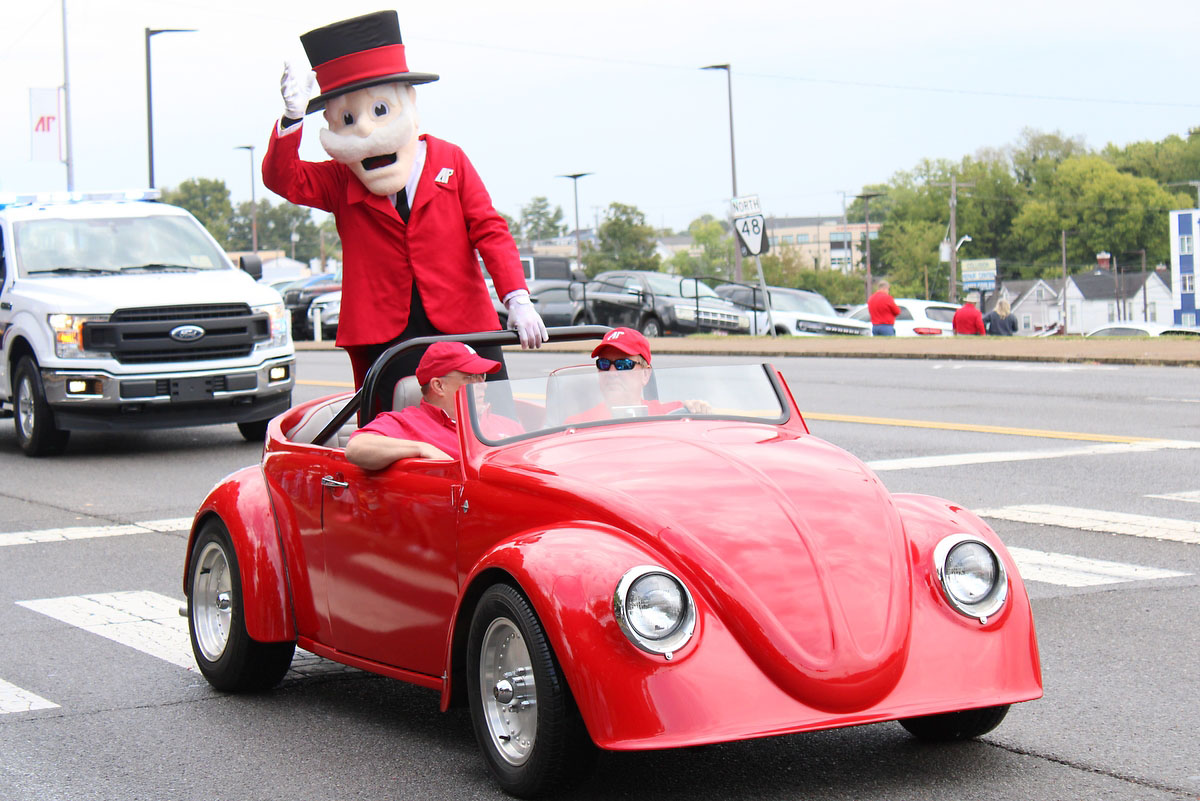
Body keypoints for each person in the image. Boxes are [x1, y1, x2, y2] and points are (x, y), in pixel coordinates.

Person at [262, 11, 547, 390]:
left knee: (489, 419)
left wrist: (517, 298)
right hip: (385, 333)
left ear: (406, 102)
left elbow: (490, 230)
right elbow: (283, 178)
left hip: (463, 320)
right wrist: (292, 119)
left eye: (380, 110)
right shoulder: (340, 175)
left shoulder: (450, 160)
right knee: (394, 428)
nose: (365, 127)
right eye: (347, 118)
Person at [346, 341, 519, 469]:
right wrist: (421, 448)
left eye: (482, 376)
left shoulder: (503, 424)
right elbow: (356, 447)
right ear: (438, 386)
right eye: (471, 377)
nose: (483, 384)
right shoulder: (409, 423)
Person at [566, 328, 711, 423]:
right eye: (603, 364)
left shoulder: (673, 415)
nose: (611, 372)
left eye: (623, 365)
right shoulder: (577, 426)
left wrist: (700, 409)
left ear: (645, 374)